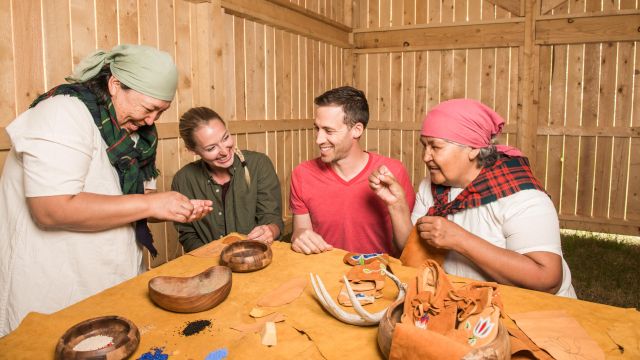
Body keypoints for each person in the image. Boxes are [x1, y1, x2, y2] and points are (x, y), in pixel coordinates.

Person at [0, 44, 213, 336]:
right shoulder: (62, 113)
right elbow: (51, 208)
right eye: (148, 108)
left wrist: (170, 204)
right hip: (55, 281)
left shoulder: (135, 133)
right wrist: (151, 205)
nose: (151, 121)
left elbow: (128, 199)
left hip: (107, 277)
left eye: (160, 112)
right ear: (115, 85)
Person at [369, 98, 576, 297]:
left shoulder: (523, 196)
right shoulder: (431, 188)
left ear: (473, 148)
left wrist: (459, 239)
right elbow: (410, 253)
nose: (425, 156)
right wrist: (396, 205)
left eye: (435, 147)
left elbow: (548, 280)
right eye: (424, 146)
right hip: (466, 305)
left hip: (537, 314)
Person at [289, 86, 415, 256]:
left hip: (379, 275)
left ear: (356, 130)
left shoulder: (393, 172)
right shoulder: (302, 174)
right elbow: (301, 230)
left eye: (328, 130)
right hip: (325, 274)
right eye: (317, 129)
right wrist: (298, 236)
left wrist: (397, 205)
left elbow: (407, 249)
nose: (319, 139)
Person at [171, 107, 284, 251]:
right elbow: (187, 234)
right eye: (211, 148)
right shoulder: (184, 180)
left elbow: (272, 218)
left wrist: (270, 230)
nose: (224, 151)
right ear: (193, 150)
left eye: (225, 138)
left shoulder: (259, 164)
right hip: (207, 267)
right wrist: (209, 259)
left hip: (256, 258)